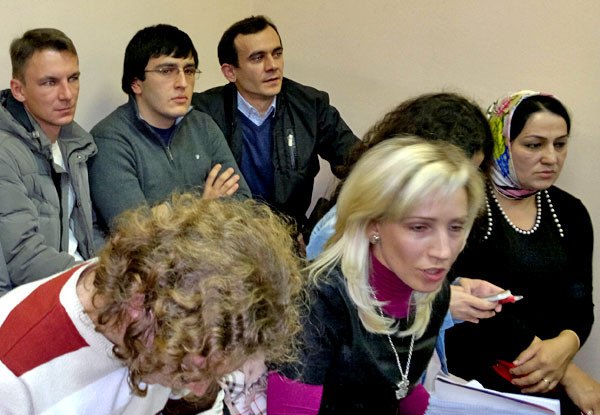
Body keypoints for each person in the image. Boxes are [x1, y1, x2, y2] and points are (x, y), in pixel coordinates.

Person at [0, 193, 303, 415]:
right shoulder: (13, 379)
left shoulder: (180, 319)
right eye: (188, 374)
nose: (199, 391)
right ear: (137, 306)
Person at [267, 137, 489, 415]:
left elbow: (399, 385)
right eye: (419, 228)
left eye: (455, 227)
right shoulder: (318, 298)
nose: (443, 251)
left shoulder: (432, 293)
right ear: (373, 225)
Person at [306, 93, 503, 375]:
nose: (443, 251)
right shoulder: (335, 238)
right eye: (419, 228)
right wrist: (442, 306)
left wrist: (452, 290)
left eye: (474, 171)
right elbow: (347, 330)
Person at [445, 90, 600, 415]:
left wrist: (566, 347)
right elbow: (472, 304)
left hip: (546, 376)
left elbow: (581, 304)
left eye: (560, 144)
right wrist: (568, 371)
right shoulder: (464, 206)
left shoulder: (570, 212)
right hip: (474, 378)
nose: (551, 158)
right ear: (502, 142)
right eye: (534, 145)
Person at [192, 15, 359, 232]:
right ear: (230, 72)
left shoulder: (310, 106)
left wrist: (316, 227)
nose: (272, 66)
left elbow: (364, 168)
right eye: (257, 58)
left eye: (277, 54)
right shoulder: (202, 113)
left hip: (288, 237)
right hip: (225, 237)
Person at [89, 24, 250, 231]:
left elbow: (243, 202)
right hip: (153, 254)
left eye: (189, 71)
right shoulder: (110, 140)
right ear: (136, 83)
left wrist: (166, 211)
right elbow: (136, 232)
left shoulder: (203, 125)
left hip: (213, 249)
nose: (183, 82)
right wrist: (203, 203)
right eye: (166, 71)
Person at [0, 28, 104, 290]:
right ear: (19, 90)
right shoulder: (5, 153)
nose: (67, 94)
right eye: (50, 82)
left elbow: (88, 232)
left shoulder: (77, 143)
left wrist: (118, 265)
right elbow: (24, 260)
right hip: (32, 294)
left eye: (73, 78)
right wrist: (101, 278)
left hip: (75, 282)